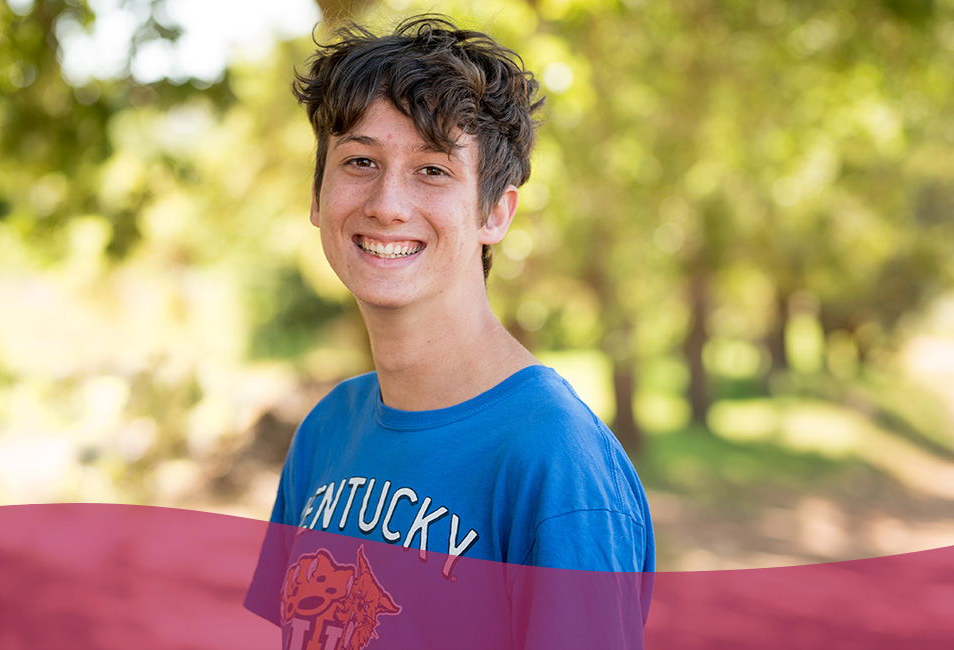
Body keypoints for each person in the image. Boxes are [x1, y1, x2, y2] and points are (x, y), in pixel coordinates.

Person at [246, 15, 654, 649]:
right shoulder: (326, 432)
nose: (386, 204)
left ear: (495, 212)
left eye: (432, 170)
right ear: (317, 195)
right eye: (360, 161)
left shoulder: (556, 464)